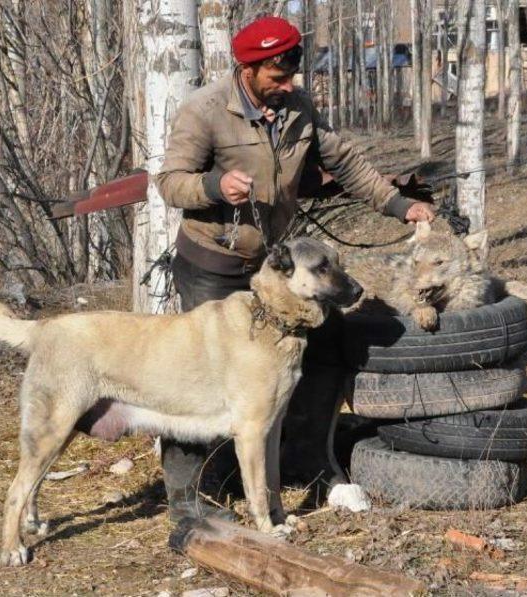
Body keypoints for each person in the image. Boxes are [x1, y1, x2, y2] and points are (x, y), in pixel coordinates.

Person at [155, 15, 435, 521]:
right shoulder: (204, 112)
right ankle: (192, 493)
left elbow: (345, 162)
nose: (287, 87)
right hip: (213, 265)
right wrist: (216, 187)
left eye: (291, 77)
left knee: (319, 353)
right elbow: (171, 182)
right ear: (247, 69)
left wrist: (399, 205)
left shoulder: (298, 107)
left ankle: (302, 460)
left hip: (274, 270)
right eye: (276, 78)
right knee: (197, 375)